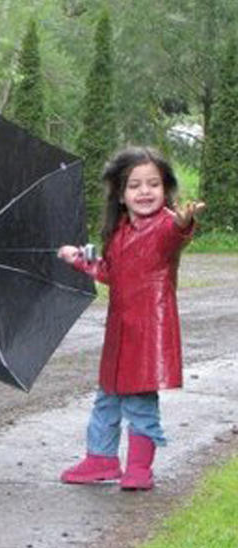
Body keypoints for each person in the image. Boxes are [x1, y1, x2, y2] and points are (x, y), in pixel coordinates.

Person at [56, 146, 205, 490]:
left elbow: (176, 233)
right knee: (107, 396)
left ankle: (140, 467)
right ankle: (101, 458)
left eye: (153, 184)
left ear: (166, 190)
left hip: (149, 333)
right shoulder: (120, 232)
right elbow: (110, 272)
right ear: (121, 195)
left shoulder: (166, 225)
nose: (144, 192)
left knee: (139, 401)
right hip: (120, 333)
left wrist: (185, 221)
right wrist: (79, 259)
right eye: (135, 185)